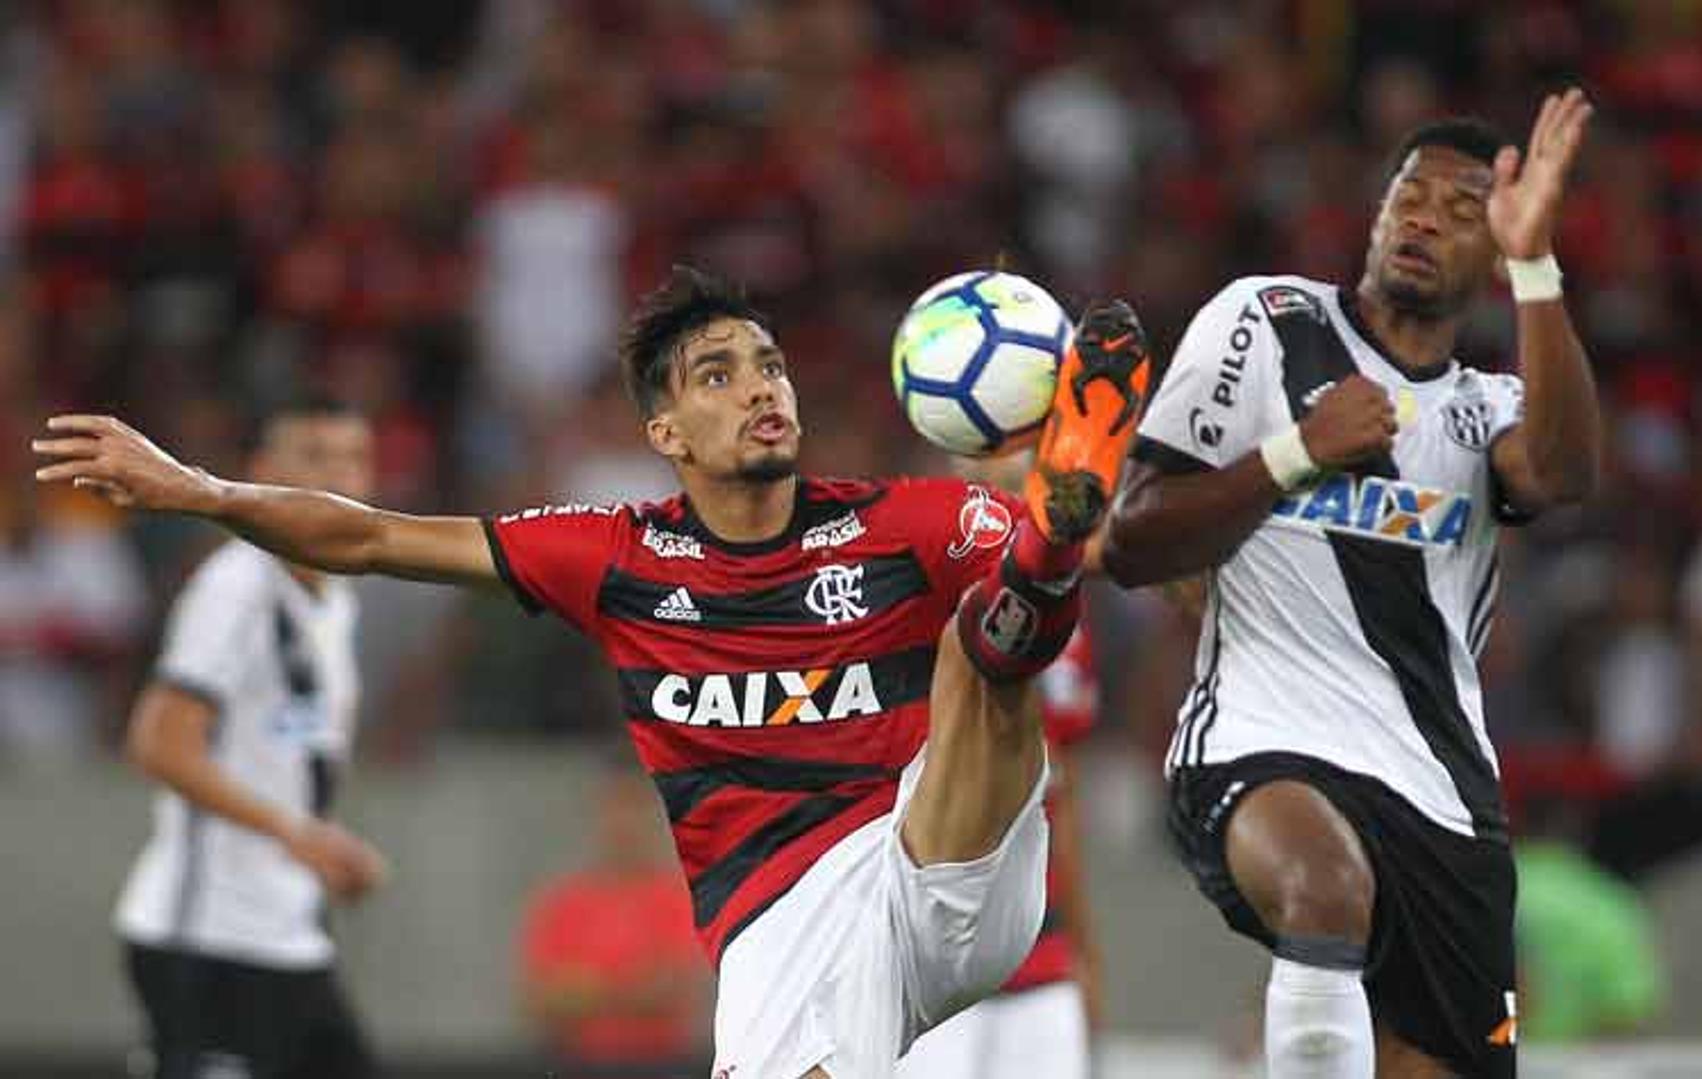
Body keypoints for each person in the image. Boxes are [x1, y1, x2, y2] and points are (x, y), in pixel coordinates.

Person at [35, 265, 1154, 1079]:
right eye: (719, 374)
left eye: (769, 365)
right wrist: (203, 489)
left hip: (941, 857)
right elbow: (372, 536)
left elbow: (1117, 558)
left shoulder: (901, 519)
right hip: (776, 918)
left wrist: (1072, 533)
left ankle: (1045, 538)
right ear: (665, 430)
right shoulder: (614, 552)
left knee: (988, 627)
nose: (762, 388)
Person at [1104, 90, 1602, 1077]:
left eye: (1464, 211)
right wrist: (1294, 454)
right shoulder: (1265, 320)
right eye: (1408, 196)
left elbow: (1564, 472)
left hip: (1441, 796)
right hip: (1259, 740)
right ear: (1375, 214)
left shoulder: (1485, 406)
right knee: (1324, 889)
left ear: (1496, 257)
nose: (1423, 217)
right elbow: (1134, 541)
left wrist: (1539, 263)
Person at [109, 394, 388, 1079]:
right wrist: (294, 832)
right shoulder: (237, 590)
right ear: (263, 470)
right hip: (208, 938)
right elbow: (158, 741)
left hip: (286, 930)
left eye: (353, 458)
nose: (339, 478)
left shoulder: (333, 596)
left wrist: (314, 843)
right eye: (315, 457)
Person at [898, 451, 1104, 1079]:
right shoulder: (911, 605)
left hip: (1040, 957)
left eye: (1020, 488)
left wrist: (1084, 950)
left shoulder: (1067, 633)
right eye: (988, 487)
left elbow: (1059, 801)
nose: (1007, 506)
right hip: (935, 953)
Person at [520, 766, 713, 1076]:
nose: (624, 825)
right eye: (615, 812)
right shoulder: (564, 903)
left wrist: (588, 989)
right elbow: (541, 998)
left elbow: (672, 988)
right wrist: (630, 987)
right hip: (579, 1064)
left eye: (633, 811)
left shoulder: (677, 899)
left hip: (660, 1065)